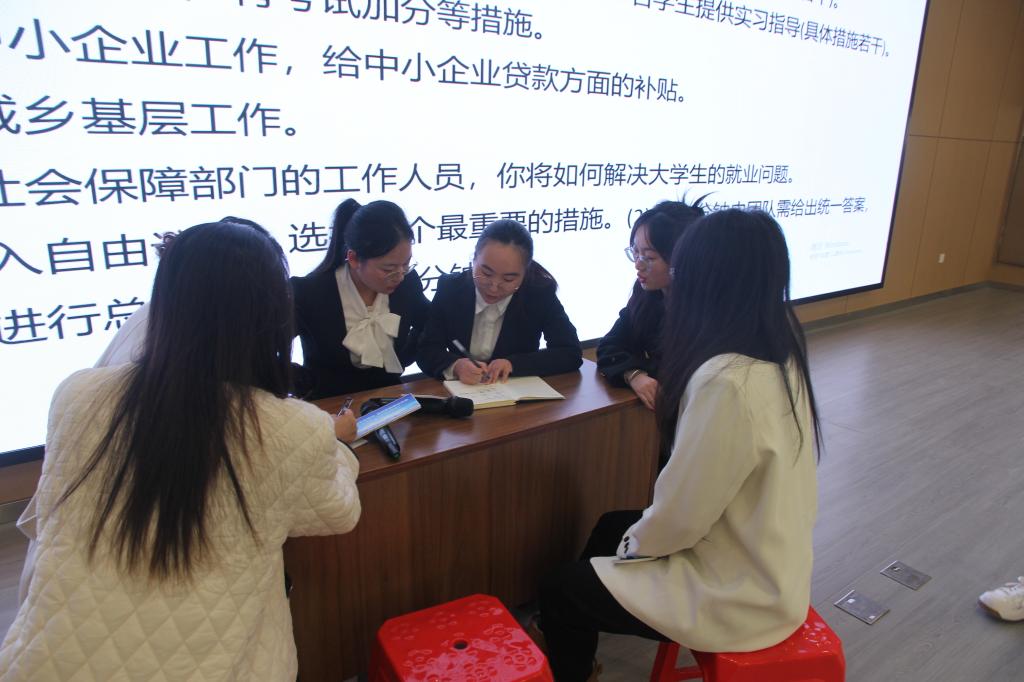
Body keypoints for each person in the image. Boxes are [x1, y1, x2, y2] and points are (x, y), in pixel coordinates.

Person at [1, 221, 362, 681]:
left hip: (48, 660)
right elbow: (338, 512)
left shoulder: (77, 395)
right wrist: (337, 444)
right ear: (270, 315)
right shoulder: (287, 427)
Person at [537, 209, 822, 682]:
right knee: (611, 527)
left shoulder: (725, 380)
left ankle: (575, 664)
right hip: (771, 565)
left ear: (709, 281)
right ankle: (581, 639)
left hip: (737, 594)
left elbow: (682, 516)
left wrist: (634, 551)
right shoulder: (780, 351)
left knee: (560, 588)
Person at [292, 198, 430, 399]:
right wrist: (302, 382)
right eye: (388, 269)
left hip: (390, 400)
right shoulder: (311, 293)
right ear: (354, 259)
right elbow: (263, 351)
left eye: (406, 264)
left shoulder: (407, 284)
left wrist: (404, 357)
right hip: (329, 405)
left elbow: (430, 323)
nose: (400, 275)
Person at [416, 219, 583, 384]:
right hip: (462, 393)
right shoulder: (451, 288)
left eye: (508, 279)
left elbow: (570, 353)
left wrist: (513, 364)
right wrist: (456, 366)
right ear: (474, 259)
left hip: (516, 394)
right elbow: (426, 350)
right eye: (486, 273)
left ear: (525, 273)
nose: (494, 287)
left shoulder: (538, 294)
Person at [596, 199, 705, 410]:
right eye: (635, 253)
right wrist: (634, 375)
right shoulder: (646, 294)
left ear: (680, 259)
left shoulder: (708, 307)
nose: (638, 265)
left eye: (648, 257)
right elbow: (610, 346)